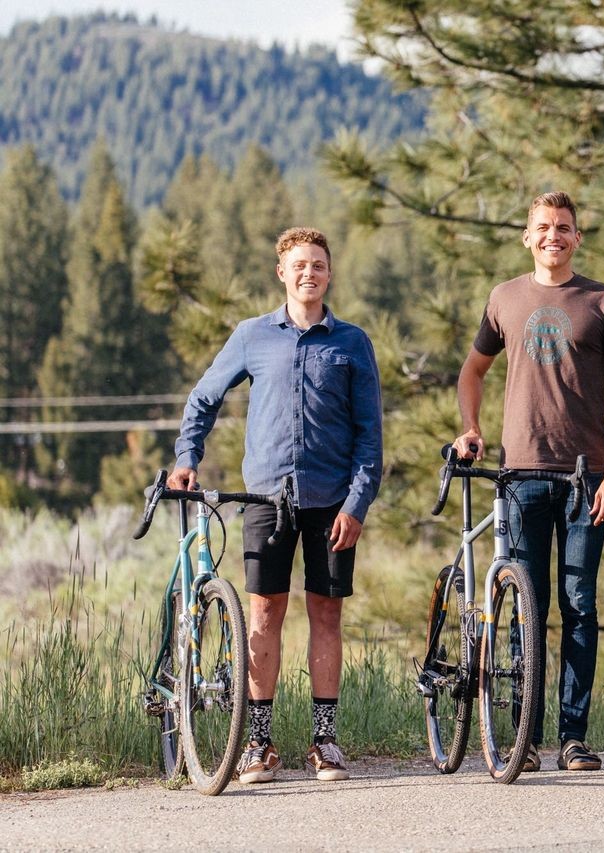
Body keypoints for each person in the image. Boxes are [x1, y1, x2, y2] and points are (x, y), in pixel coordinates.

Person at [170, 227, 382, 784]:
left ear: (330, 274)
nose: (309, 272)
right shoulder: (252, 336)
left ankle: (325, 742)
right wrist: (187, 456)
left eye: (318, 264)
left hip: (331, 502)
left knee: (326, 614)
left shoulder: (352, 343)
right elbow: (204, 397)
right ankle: (259, 744)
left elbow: (370, 436)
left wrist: (357, 504)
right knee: (264, 614)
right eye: (299, 265)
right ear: (282, 273)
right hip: (265, 499)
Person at [452, 191, 604, 772]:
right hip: (519, 476)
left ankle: (574, 738)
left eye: (563, 227)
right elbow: (472, 371)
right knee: (525, 607)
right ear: (527, 236)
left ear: (577, 237)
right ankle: (523, 740)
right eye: (543, 227)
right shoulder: (504, 298)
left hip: (586, 479)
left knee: (580, 604)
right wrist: (471, 427)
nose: (553, 235)